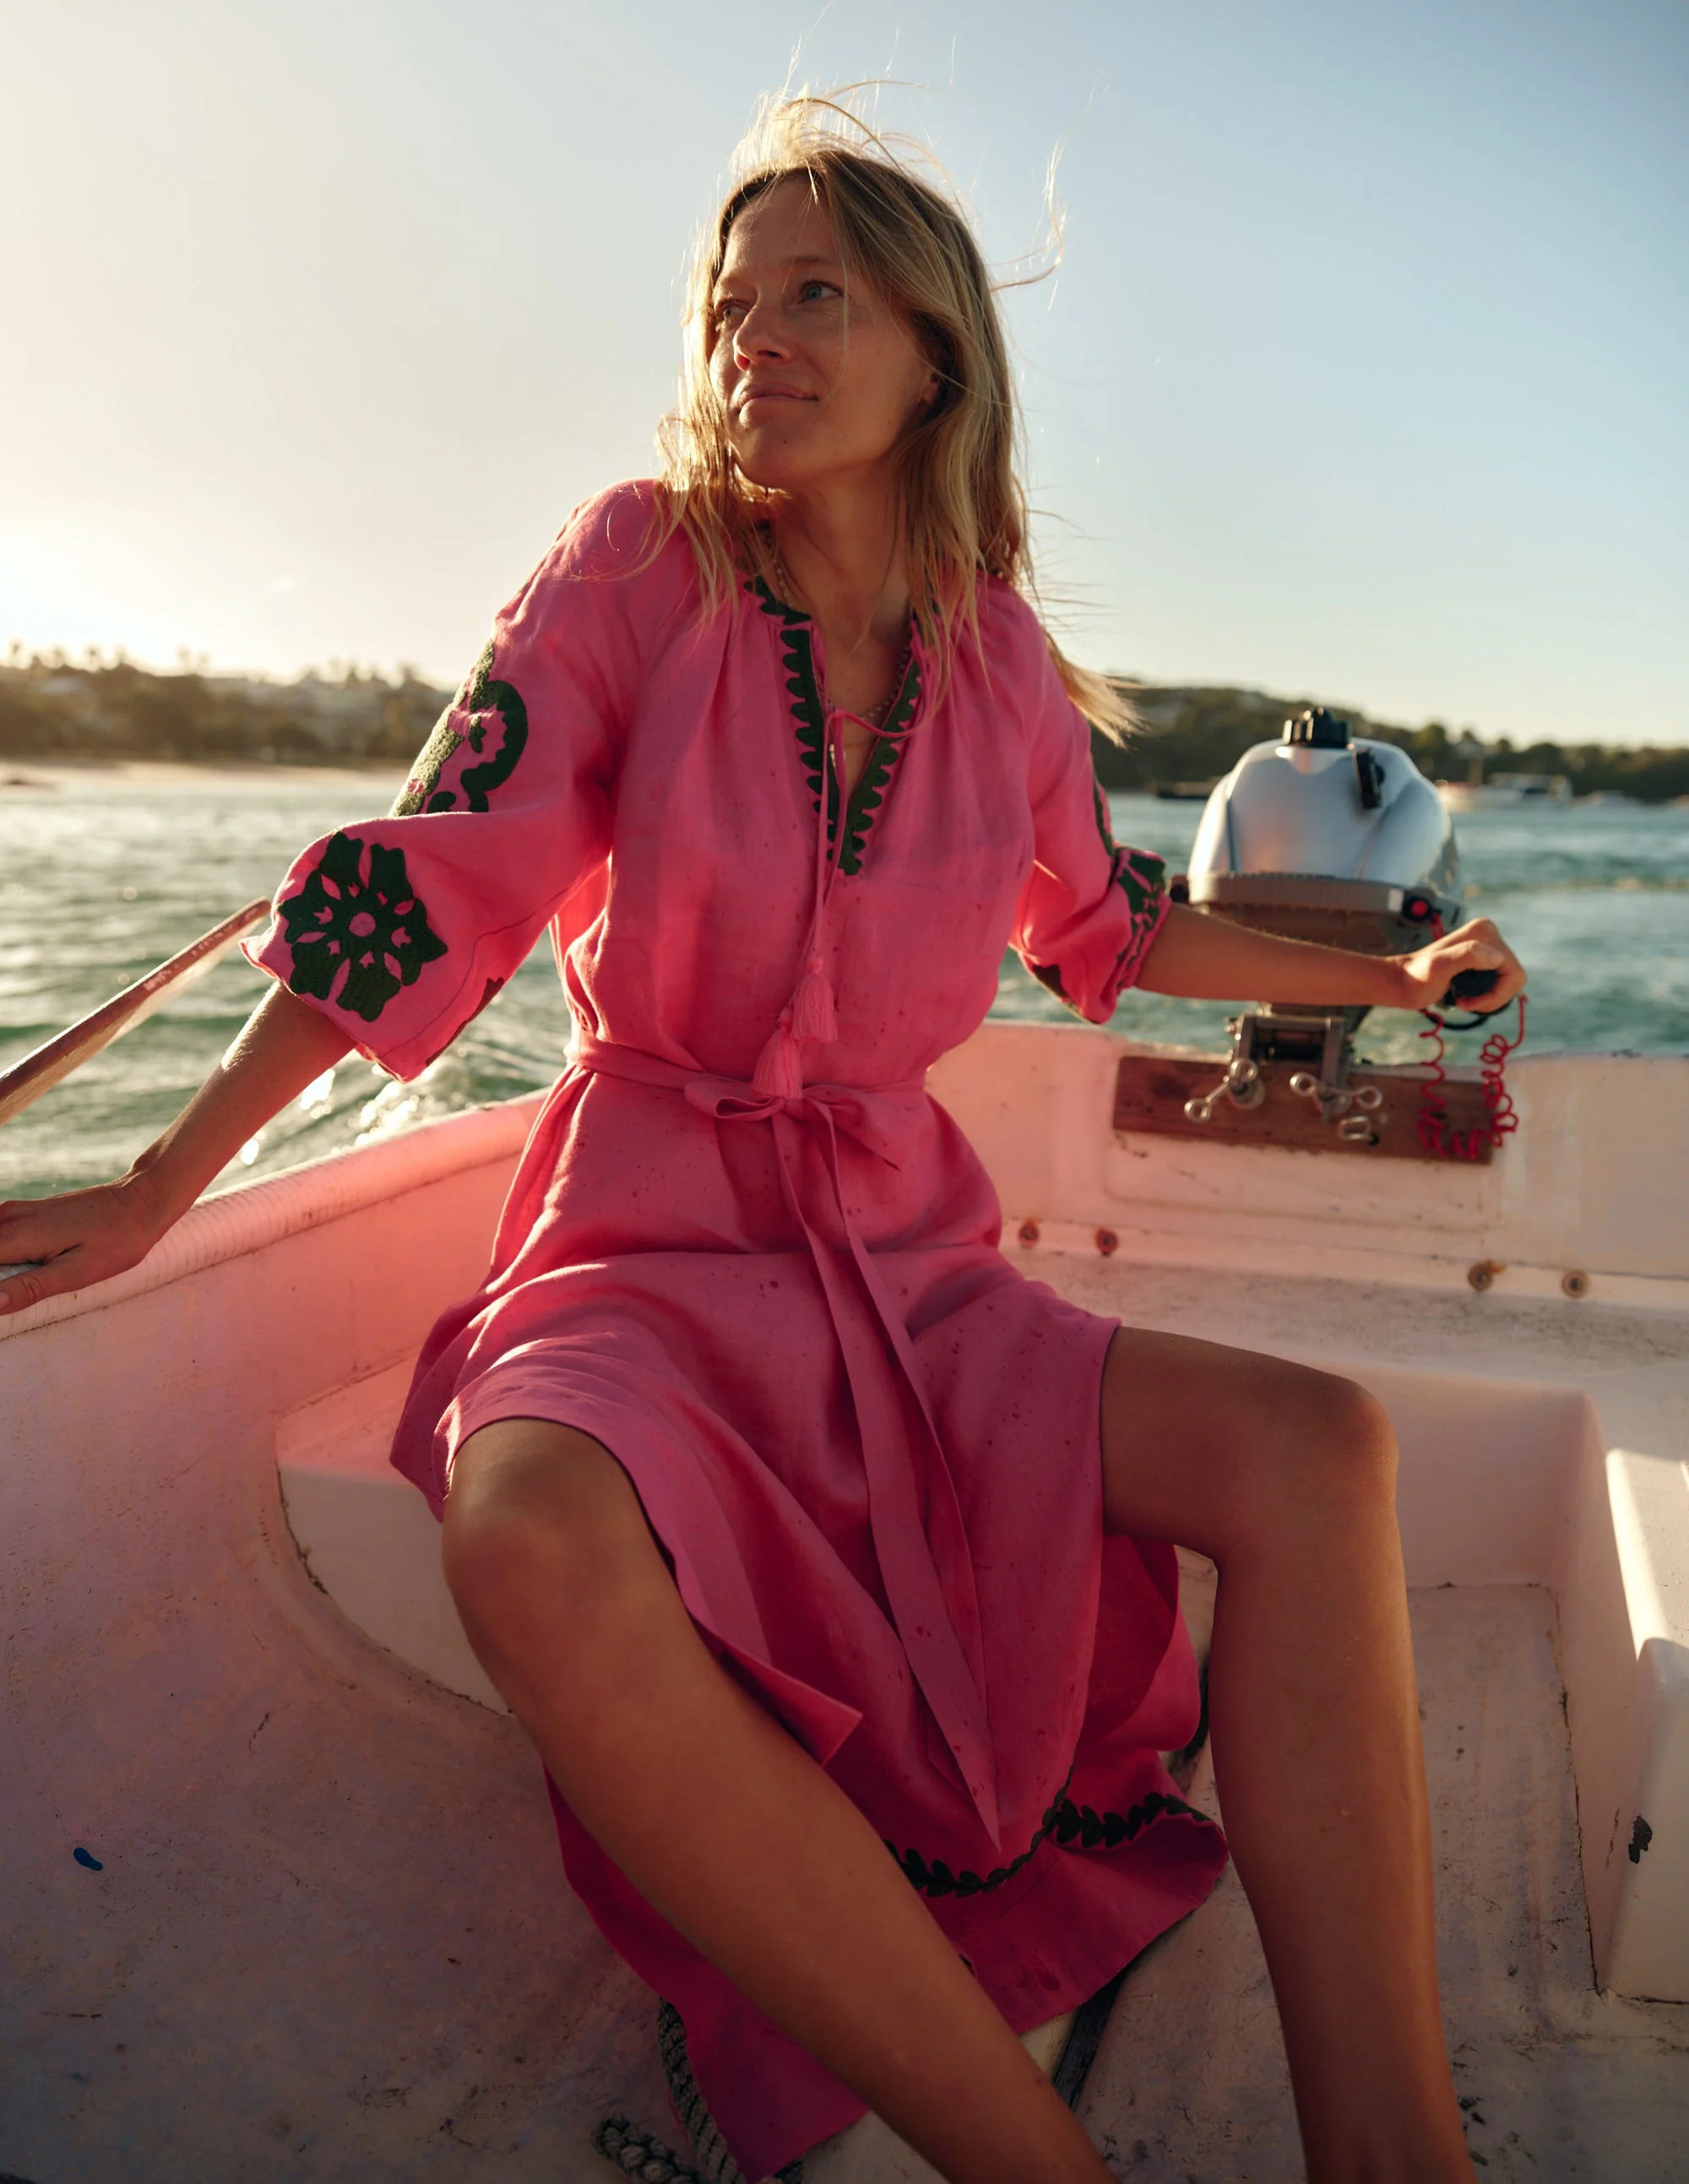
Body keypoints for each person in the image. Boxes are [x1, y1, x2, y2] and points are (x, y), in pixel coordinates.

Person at [0, 101, 1523, 2184]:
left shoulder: (1003, 668)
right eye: (732, 302)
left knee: (1315, 1447)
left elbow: (1109, 930)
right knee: (526, 1536)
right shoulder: (637, 563)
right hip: (632, 1255)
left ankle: (1396, 2155)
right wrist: (163, 1184)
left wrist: (1395, 972)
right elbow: (436, 872)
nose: (757, 339)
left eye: (818, 295)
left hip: (904, 1267)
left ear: (935, 357)